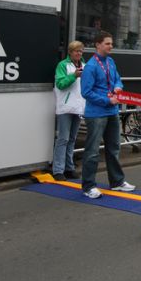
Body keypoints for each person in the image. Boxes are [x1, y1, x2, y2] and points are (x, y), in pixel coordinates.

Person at [79, 32, 135, 198]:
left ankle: (117, 182)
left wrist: (118, 87)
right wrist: (107, 100)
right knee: (92, 151)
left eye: (111, 43)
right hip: (96, 113)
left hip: (112, 111)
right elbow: (86, 92)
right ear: (98, 45)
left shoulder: (110, 61)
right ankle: (88, 186)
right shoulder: (90, 66)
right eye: (107, 43)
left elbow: (117, 79)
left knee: (114, 147)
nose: (111, 46)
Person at [52, 41, 85, 181]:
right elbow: (60, 84)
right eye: (76, 51)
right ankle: (58, 170)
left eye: (81, 51)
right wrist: (73, 76)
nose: (79, 53)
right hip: (65, 107)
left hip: (78, 106)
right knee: (63, 139)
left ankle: (69, 168)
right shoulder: (63, 65)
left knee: (72, 139)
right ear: (70, 52)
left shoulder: (84, 65)